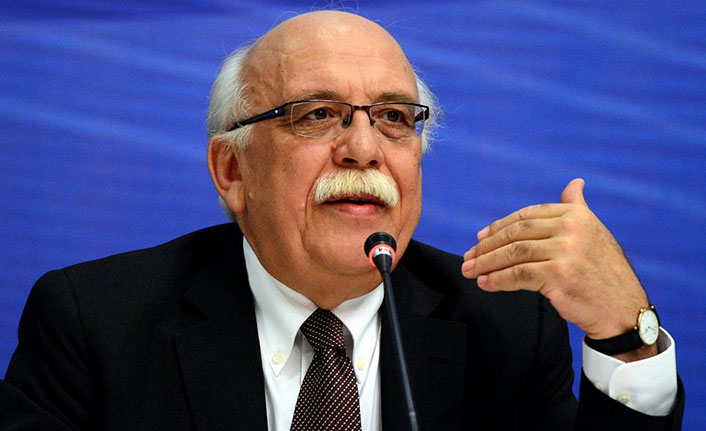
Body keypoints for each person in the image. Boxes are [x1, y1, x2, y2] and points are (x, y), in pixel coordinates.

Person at [0, 10, 684, 431]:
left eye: (394, 118)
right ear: (232, 170)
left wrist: (627, 335)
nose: (363, 148)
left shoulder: (505, 328)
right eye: (318, 114)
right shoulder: (96, 323)